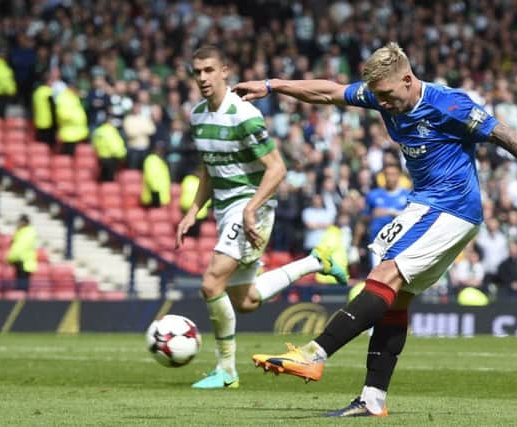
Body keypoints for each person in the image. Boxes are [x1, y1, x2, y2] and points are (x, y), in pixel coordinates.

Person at [234, 42, 517, 417]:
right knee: (398, 296)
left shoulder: (448, 104)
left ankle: (315, 355)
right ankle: (372, 399)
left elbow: (502, 133)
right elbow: (328, 93)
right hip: (428, 204)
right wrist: (272, 85)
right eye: (377, 96)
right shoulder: (382, 95)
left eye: (388, 95)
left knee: (384, 274)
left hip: (449, 205)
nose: (383, 103)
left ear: (408, 80)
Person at [175, 45, 348, 390]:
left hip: (251, 205)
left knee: (211, 284)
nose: (203, 78)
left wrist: (252, 208)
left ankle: (227, 371)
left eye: (210, 70)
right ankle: (315, 262)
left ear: (225, 71)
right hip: (225, 209)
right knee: (247, 301)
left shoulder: (244, 115)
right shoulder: (197, 115)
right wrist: (194, 210)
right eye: (198, 72)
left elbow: (277, 168)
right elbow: (208, 169)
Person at [352, 161, 410, 271]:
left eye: (393, 174)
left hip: (399, 245)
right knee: (377, 278)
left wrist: (390, 212)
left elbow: (413, 218)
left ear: (399, 175)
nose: (390, 178)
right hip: (377, 245)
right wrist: (355, 246)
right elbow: (363, 220)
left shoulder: (407, 195)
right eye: (387, 174)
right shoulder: (373, 195)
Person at [6, 215, 38, 291]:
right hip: (20, 262)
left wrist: (9, 258)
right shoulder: (21, 232)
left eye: (20, 221)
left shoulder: (27, 232)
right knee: (20, 287)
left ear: (24, 222)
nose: (18, 223)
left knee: (22, 289)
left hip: (24, 263)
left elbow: (19, 247)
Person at [140, 143, 171, 208]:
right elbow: (151, 178)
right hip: (154, 197)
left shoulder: (160, 160)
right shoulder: (152, 160)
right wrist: (156, 195)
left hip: (160, 197)